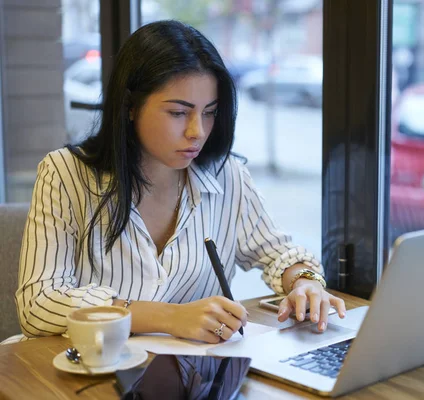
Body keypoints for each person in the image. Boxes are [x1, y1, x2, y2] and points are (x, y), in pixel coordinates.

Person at [6, 20, 345, 345]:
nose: (197, 131)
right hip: (81, 373)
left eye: (209, 112)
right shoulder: (66, 174)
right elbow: (39, 305)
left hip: (185, 378)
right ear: (130, 107)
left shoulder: (227, 177)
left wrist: (305, 282)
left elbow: (279, 254)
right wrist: (167, 317)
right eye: (179, 113)